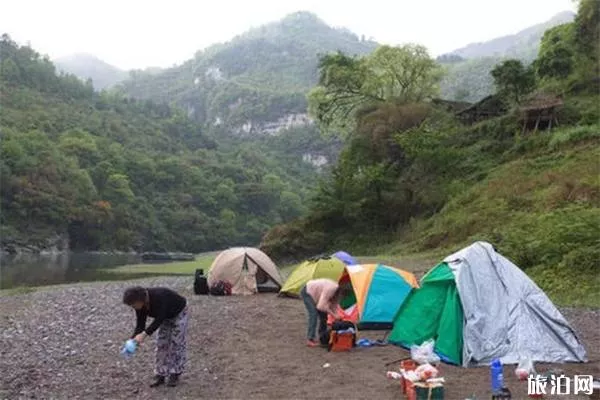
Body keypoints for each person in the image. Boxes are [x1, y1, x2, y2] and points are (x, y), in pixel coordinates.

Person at [123, 286, 188, 387]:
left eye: (133, 304)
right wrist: (133, 340)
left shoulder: (159, 296)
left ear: (140, 299)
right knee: (161, 344)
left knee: (176, 343)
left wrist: (144, 334)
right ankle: (160, 374)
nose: (132, 307)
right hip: (165, 318)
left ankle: (175, 373)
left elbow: (159, 318)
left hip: (179, 313)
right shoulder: (140, 306)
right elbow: (140, 324)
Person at [300, 278, 346, 347]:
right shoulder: (331, 289)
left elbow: (334, 305)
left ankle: (322, 337)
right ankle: (310, 339)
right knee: (313, 314)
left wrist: (337, 316)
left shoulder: (336, 293)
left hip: (317, 295)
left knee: (324, 316)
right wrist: (334, 315)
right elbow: (320, 307)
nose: (341, 298)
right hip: (308, 291)